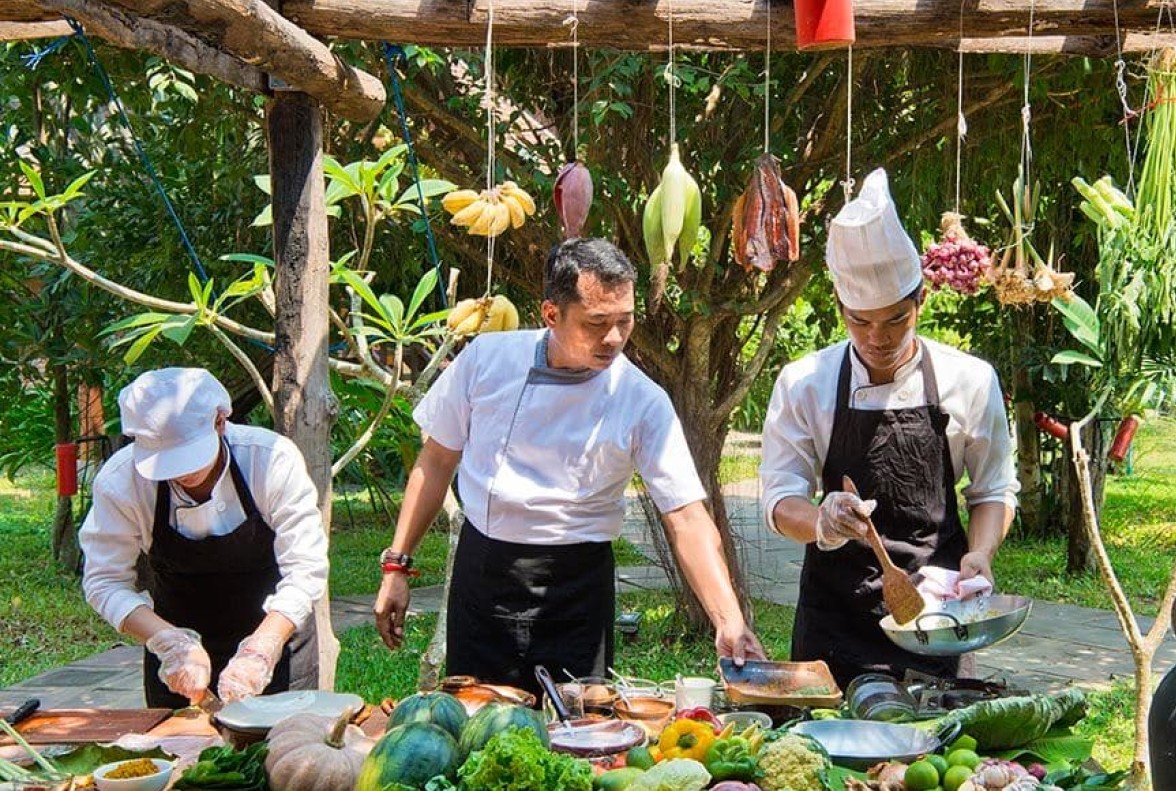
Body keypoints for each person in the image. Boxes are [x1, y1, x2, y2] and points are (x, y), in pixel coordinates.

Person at [374, 237, 765, 697]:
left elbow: (687, 517)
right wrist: (397, 567)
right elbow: (437, 460)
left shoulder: (641, 400)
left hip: (579, 587)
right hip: (485, 576)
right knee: (478, 729)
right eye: (597, 323)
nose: (615, 338)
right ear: (551, 315)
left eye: (625, 321)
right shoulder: (485, 361)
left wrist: (728, 619)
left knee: (579, 736)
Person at [760, 169, 1019, 687]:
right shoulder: (804, 384)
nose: (877, 337)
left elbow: (993, 489)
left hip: (937, 617)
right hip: (834, 620)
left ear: (921, 301)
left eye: (895, 320)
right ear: (840, 308)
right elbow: (778, 498)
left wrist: (980, 554)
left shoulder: (968, 379)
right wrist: (821, 522)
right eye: (860, 321)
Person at [81, 368, 328, 709]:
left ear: (220, 421)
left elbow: (306, 570)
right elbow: (104, 582)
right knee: (184, 754)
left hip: (276, 636)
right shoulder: (121, 482)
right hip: (177, 644)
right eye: (164, 462)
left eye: (188, 457)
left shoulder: (271, 459)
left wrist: (261, 649)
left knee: (283, 753)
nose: (181, 473)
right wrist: (169, 643)